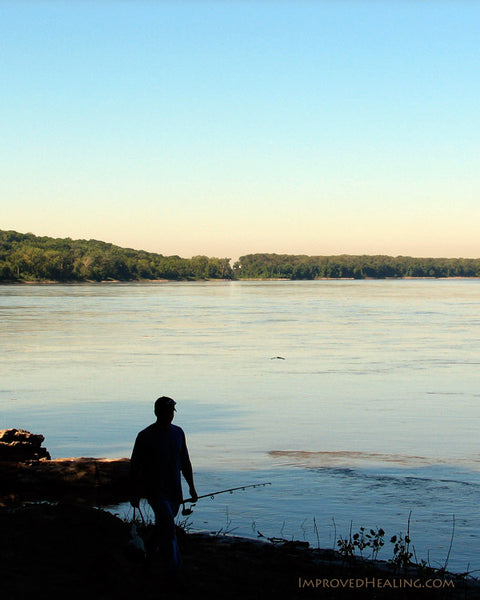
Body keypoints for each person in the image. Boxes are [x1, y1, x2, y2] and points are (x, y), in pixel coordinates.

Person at [130, 396, 198, 574]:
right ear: (156, 412)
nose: (169, 415)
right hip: (155, 491)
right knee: (168, 528)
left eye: (171, 412)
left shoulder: (178, 433)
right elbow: (135, 467)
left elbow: (185, 461)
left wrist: (191, 486)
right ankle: (174, 569)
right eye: (165, 412)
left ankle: (147, 550)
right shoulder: (145, 436)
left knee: (163, 524)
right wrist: (134, 492)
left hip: (175, 491)